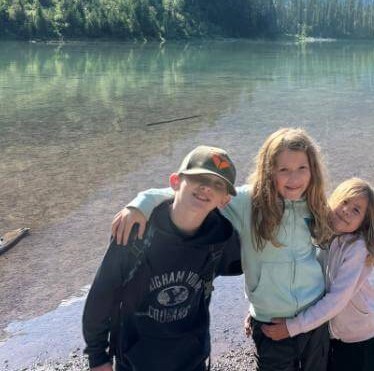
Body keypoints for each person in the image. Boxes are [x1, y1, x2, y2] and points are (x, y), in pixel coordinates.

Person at [112, 128, 332, 371]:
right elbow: (184, 196)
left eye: (302, 168)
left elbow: (335, 237)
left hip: (313, 313)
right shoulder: (250, 202)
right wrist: (141, 204)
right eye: (284, 170)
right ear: (270, 171)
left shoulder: (314, 203)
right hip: (270, 319)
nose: (295, 178)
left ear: (313, 169)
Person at [82, 145, 242, 371]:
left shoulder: (221, 238)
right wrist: (97, 356)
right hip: (136, 361)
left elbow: (258, 263)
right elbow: (102, 295)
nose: (206, 188)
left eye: (217, 185)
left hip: (192, 360)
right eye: (199, 179)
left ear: (224, 199)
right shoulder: (136, 230)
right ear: (175, 182)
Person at [261, 178, 374, 371]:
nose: (346, 211)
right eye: (345, 202)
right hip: (329, 336)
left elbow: (336, 300)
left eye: (356, 210)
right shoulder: (320, 233)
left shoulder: (357, 249)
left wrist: (291, 327)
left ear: (364, 222)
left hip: (360, 339)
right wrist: (259, 311)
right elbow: (294, 272)